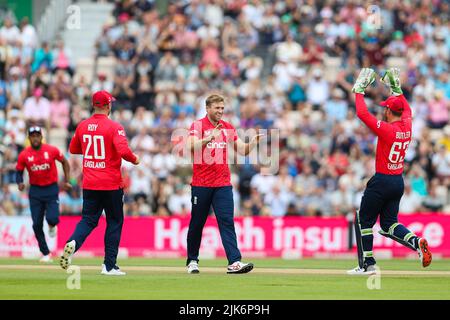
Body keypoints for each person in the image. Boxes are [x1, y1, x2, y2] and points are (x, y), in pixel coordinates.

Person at [347, 68, 432, 275]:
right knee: (389, 225)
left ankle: (367, 264)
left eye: (386, 108)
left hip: (382, 180)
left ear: (388, 112)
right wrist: (397, 88)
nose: (384, 110)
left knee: (363, 220)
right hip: (397, 182)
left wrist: (359, 91)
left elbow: (361, 113)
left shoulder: (387, 129)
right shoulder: (407, 125)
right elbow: (407, 109)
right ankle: (416, 241)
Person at [59, 90, 139, 276]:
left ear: (94, 105)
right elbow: (123, 151)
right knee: (114, 221)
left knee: (88, 220)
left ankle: (73, 242)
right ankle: (109, 266)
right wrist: (135, 159)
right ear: (108, 105)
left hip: (89, 183)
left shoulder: (82, 126)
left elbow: (73, 148)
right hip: (111, 184)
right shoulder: (115, 127)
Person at [186, 94, 263, 274]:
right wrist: (208, 139)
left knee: (227, 221)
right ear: (207, 108)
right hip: (201, 183)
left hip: (223, 183)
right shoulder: (197, 126)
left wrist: (253, 142)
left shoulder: (227, 127)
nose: (220, 111)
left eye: (222, 108)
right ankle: (192, 261)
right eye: (217, 108)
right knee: (197, 223)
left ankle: (234, 262)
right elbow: (190, 146)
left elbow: (242, 150)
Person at [15, 126, 71, 262]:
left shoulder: (51, 150)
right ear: (29, 138)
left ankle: (52, 226)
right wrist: (20, 182)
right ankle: (45, 253)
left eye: (37, 136)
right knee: (36, 224)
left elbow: (64, 162)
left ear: (41, 137)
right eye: (32, 136)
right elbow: (18, 171)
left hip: (51, 189)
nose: (35, 138)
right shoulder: (24, 154)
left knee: (52, 218)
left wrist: (67, 180)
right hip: (35, 191)